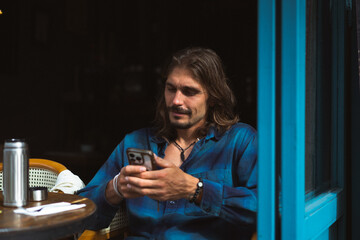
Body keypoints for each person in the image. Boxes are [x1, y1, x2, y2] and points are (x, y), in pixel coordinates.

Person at [78, 47, 257, 239]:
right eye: (171, 89)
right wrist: (115, 188)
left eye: (189, 92)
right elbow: (80, 213)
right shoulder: (136, 142)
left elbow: (271, 209)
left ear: (212, 97)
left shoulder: (241, 140)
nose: (176, 100)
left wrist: (194, 189)